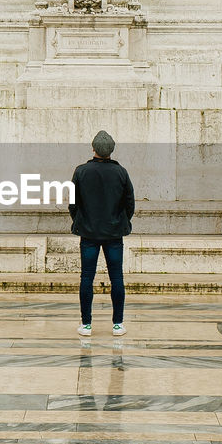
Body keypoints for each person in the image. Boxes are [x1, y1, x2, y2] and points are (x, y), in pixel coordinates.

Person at [69, 130, 134, 337]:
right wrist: (122, 222)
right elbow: (129, 203)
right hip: (114, 234)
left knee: (87, 277)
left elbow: (73, 203)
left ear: (93, 149)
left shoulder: (81, 171)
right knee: (117, 277)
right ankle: (117, 324)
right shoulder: (121, 172)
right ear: (111, 151)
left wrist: (81, 221)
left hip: (88, 234)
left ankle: (86, 324)